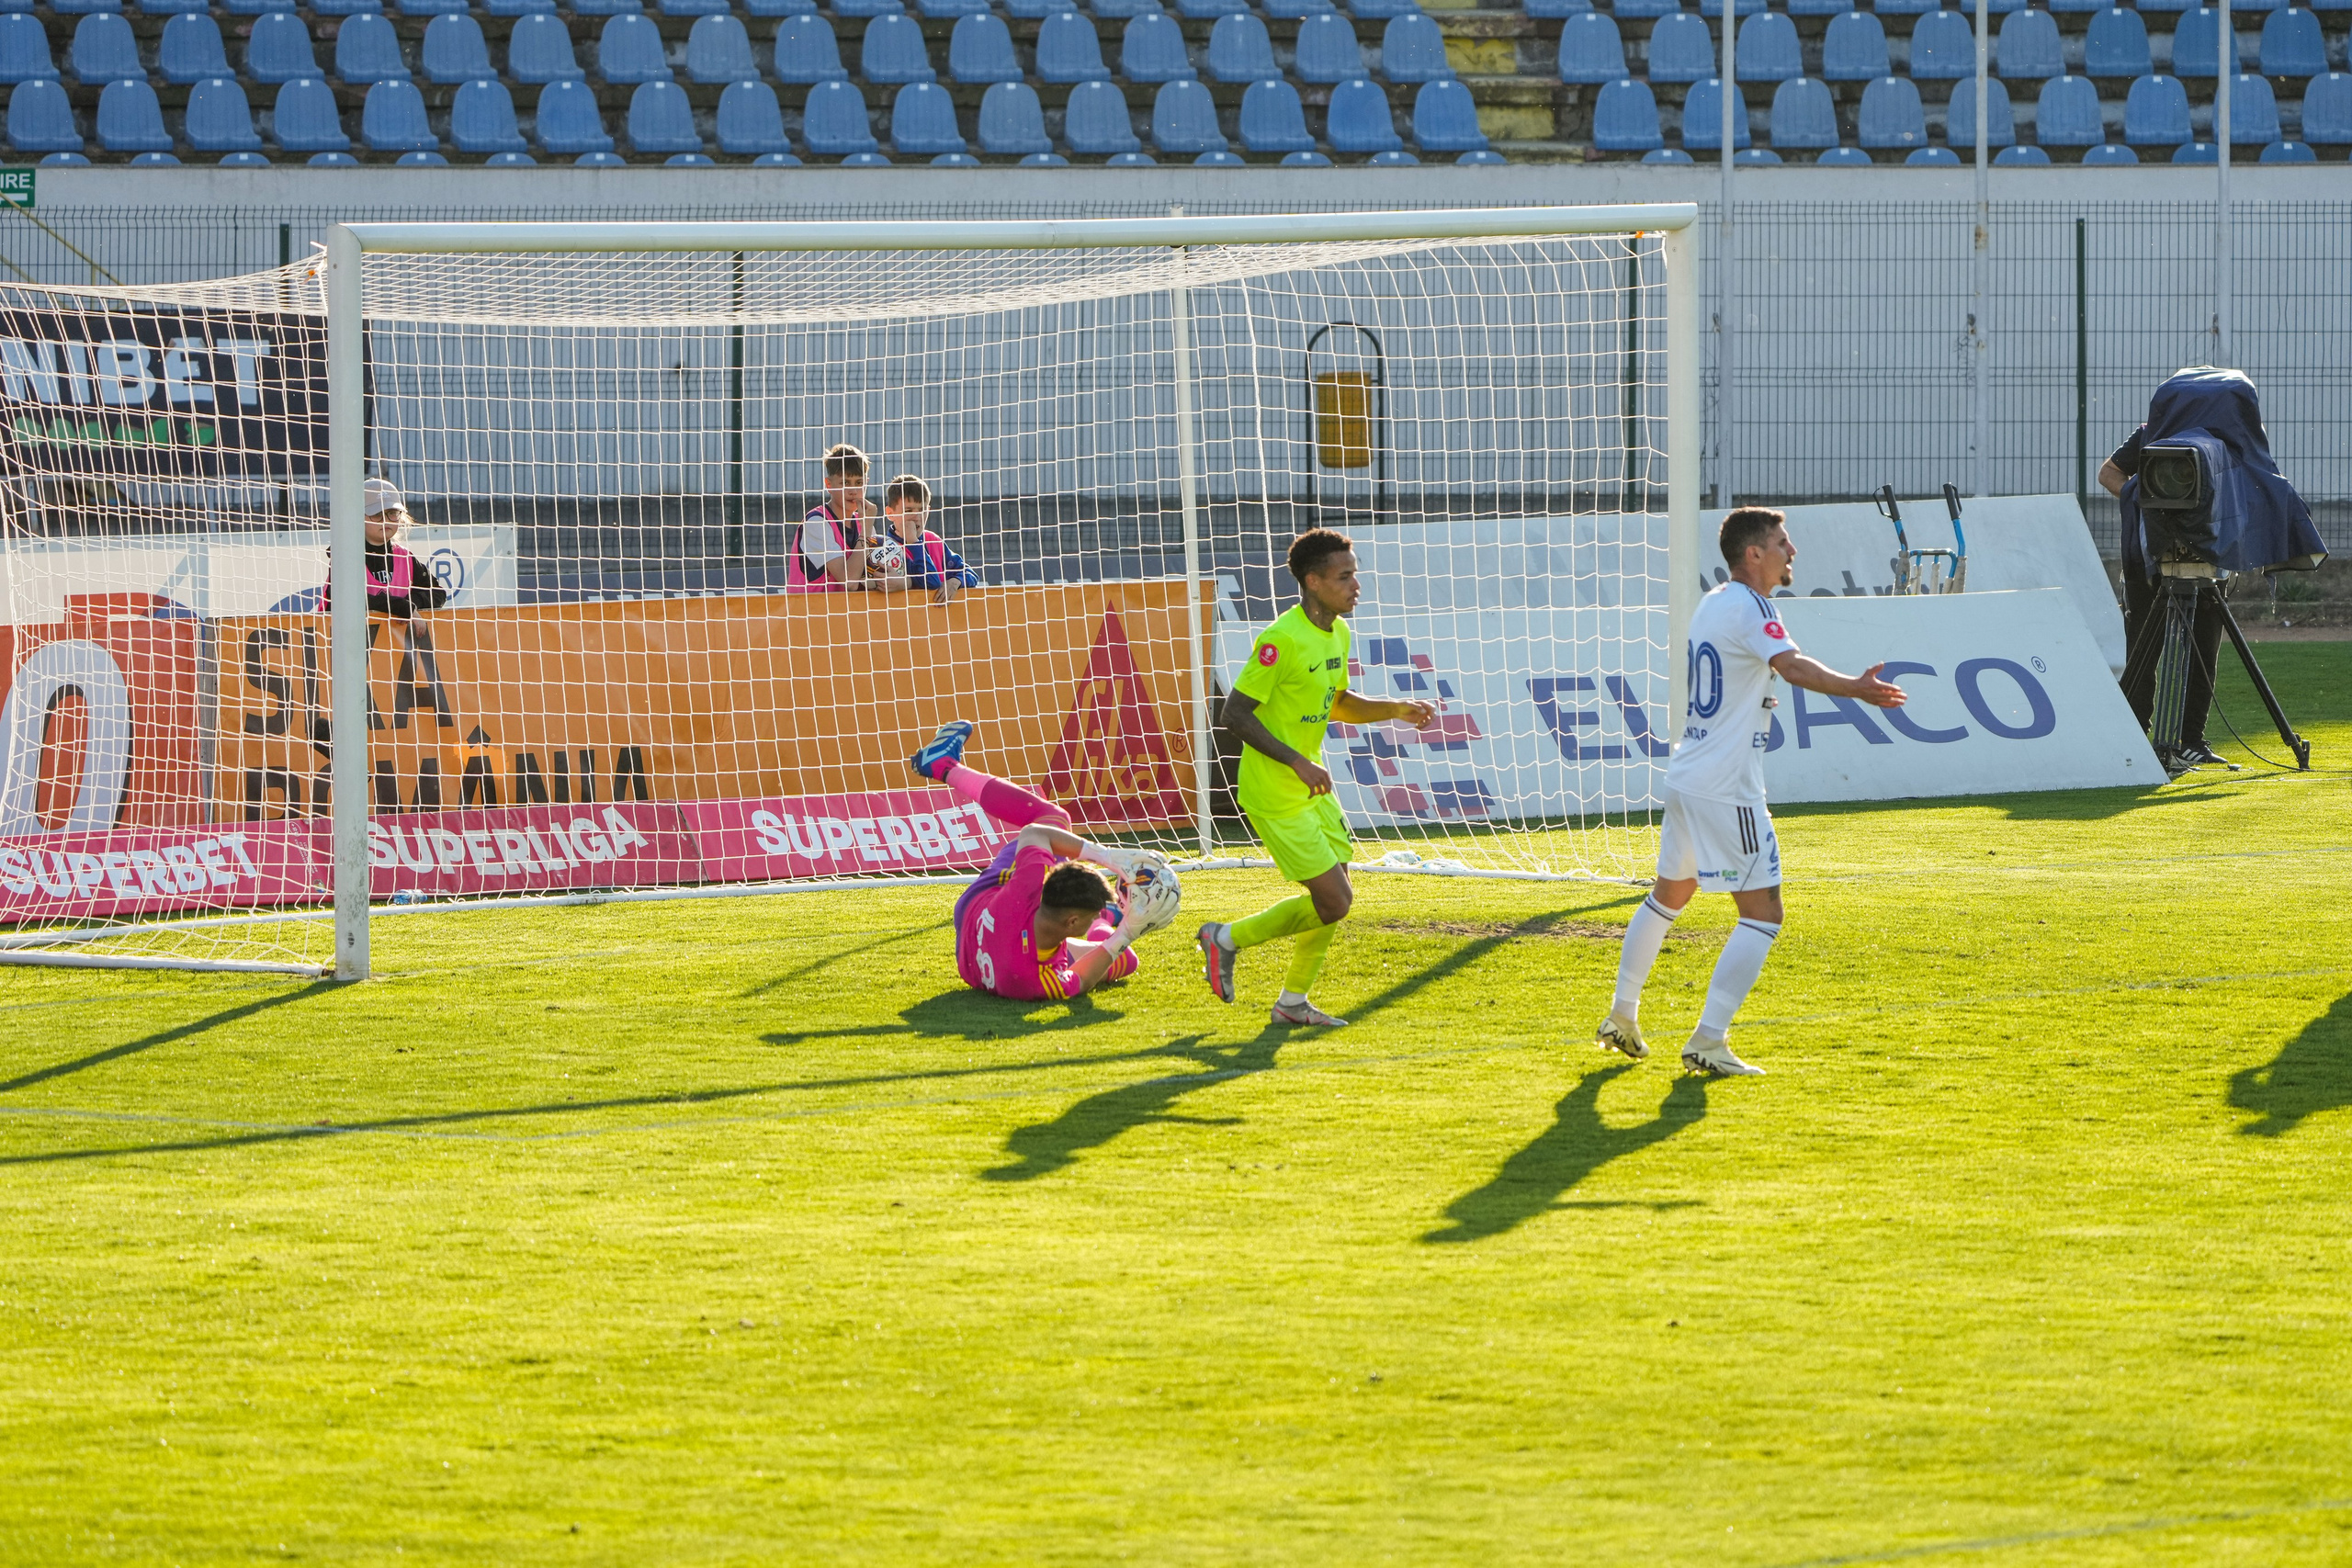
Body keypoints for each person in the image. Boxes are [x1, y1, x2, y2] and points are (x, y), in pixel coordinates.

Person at [1596, 506, 1907, 1077]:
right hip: (1726, 785)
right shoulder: (1751, 605)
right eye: (1782, 542)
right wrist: (1857, 689)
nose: (1792, 552)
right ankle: (1708, 1040)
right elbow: (1794, 668)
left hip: (1690, 774)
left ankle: (1622, 1014)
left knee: (1669, 896)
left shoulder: (1713, 603)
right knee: (1763, 914)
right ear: (1754, 553)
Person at [1194, 528, 1436, 1029]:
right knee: (1335, 902)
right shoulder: (1280, 640)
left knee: (1335, 900)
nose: (1356, 585)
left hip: (1313, 788)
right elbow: (1235, 715)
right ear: (1313, 581)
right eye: (1344, 576)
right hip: (1277, 792)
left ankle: (1292, 1003)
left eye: (1355, 574)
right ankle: (1225, 939)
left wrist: (1396, 707)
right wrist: (1298, 762)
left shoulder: (1338, 632)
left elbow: (1339, 702)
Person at [2098, 367, 2320, 766]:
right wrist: (2142, 498)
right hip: (2151, 561)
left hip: (2204, 564)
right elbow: (2109, 473)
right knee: (2146, 654)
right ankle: (2132, 740)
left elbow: (2261, 489)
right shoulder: (2153, 434)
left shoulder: (2233, 444)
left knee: (2202, 650)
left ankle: (2190, 742)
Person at [910, 719, 1177, 1001]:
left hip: (983, 904)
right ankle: (1108, 916)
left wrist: (1108, 857)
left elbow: (1035, 833)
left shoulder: (1025, 886)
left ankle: (944, 766)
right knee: (1126, 960)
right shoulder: (1036, 980)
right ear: (1073, 921)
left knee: (1056, 821)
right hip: (982, 939)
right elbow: (1083, 979)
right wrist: (1127, 933)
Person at [323, 477, 448, 618]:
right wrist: (400, 607)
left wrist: (410, 604)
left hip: (393, 640)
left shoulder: (405, 557)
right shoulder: (345, 556)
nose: (385, 520)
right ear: (357, 517)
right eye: (377, 514)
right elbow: (348, 601)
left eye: (392, 513)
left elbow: (438, 593)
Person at [790, 443, 884, 592]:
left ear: (866, 483)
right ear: (829, 484)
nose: (853, 490)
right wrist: (866, 530)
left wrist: (895, 582)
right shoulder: (816, 523)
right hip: (810, 612)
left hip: (847, 614)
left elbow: (869, 581)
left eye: (859, 483)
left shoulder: (864, 526)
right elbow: (850, 582)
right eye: (845, 483)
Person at [876, 474, 980, 603]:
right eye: (909, 511)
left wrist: (955, 581)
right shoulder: (885, 548)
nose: (917, 517)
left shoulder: (933, 540)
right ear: (890, 514)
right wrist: (913, 542)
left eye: (922, 510)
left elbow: (971, 574)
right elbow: (931, 582)